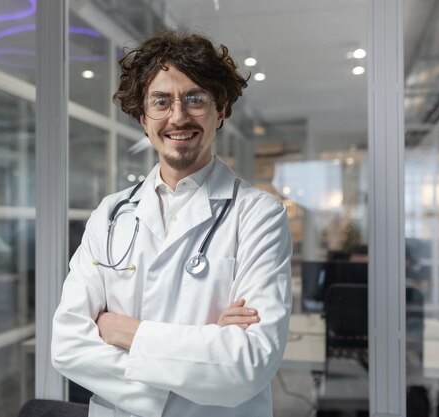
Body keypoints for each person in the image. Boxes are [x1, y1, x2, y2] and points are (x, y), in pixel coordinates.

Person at [52, 30, 292, 417]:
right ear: (143, 117)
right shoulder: (110, 215)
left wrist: (125, 331)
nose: (177, 116)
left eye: (194, 98)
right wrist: (206, 349)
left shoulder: (259, 215)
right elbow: (67, 345)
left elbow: (247, 365)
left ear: (221, 108)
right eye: (160, 102)